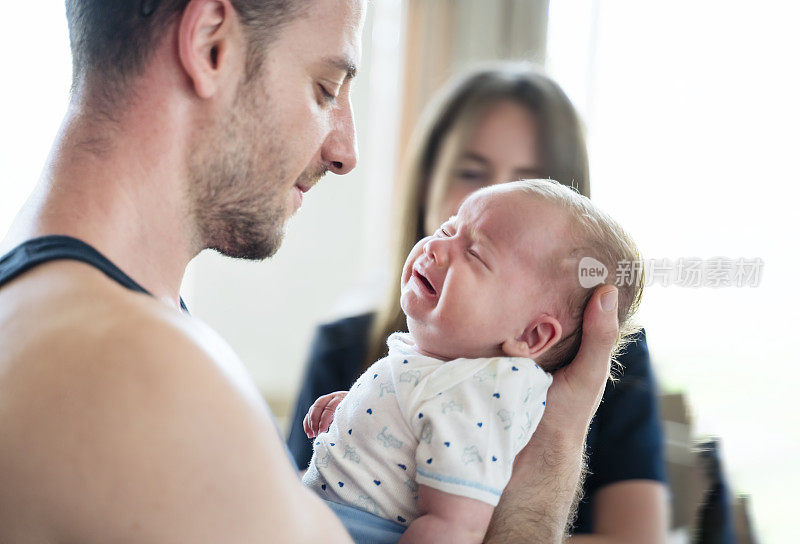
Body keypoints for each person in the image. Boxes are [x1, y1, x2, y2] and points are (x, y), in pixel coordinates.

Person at [0, 1, 618, 541]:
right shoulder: (147, 382)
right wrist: (556, 443)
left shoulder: (50, 305)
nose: (344, 150)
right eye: (325, 88)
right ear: (210, 44)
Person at [288, 64, 670, 542]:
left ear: (535, 335)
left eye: (532, 182)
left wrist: (558, 441)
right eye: (470, 173)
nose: (489, 194)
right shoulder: (364, 348)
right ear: (427, 182)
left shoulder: (484, 391)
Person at [300, 180, 644, 544]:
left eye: (475, 254)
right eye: (448, 229)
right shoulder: (440, 371)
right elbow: (408, 424)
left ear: (531, 337)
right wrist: (353, 409)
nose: (435, 247)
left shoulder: (476, 397)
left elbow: (454, 527)